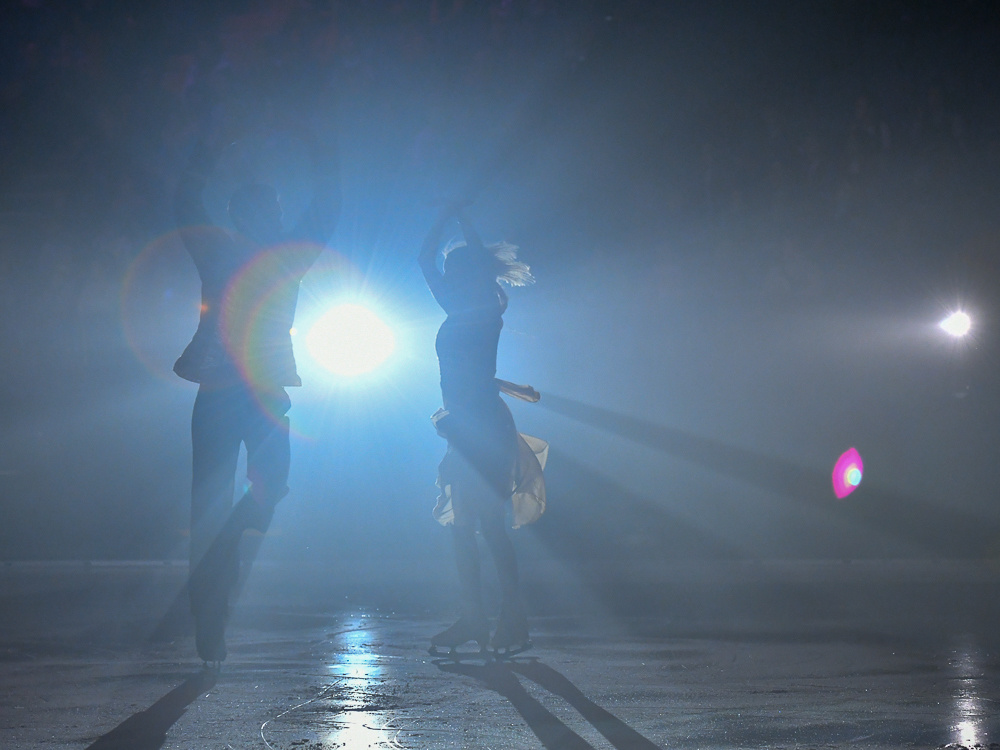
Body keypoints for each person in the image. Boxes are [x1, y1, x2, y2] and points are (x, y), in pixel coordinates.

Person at [174, 113, 339, 665]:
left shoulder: (287, 255)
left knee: (270, 492)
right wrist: (209, 147)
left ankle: (222, 559)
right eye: (258, 210)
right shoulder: (218, 251)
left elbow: (327, 209)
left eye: (270, 209)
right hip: (222, 393)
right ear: (240, 215)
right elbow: (185, 204)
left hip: (263, 393)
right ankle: (209, 621)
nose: (268, 217)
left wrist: (317, 148)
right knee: (209, 508)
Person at [419, 204, 547, 657]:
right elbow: (425, 261)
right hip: (464, 424)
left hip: (483, 427)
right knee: (466, 527)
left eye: (458, 267)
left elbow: (426, 260)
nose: (448, 273)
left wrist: (460, 226)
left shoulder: (481, 307)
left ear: (472, 273)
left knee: (488, 525)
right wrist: (451, 223)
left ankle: (510, 619)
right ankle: (476, 617)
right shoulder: (459, 308)